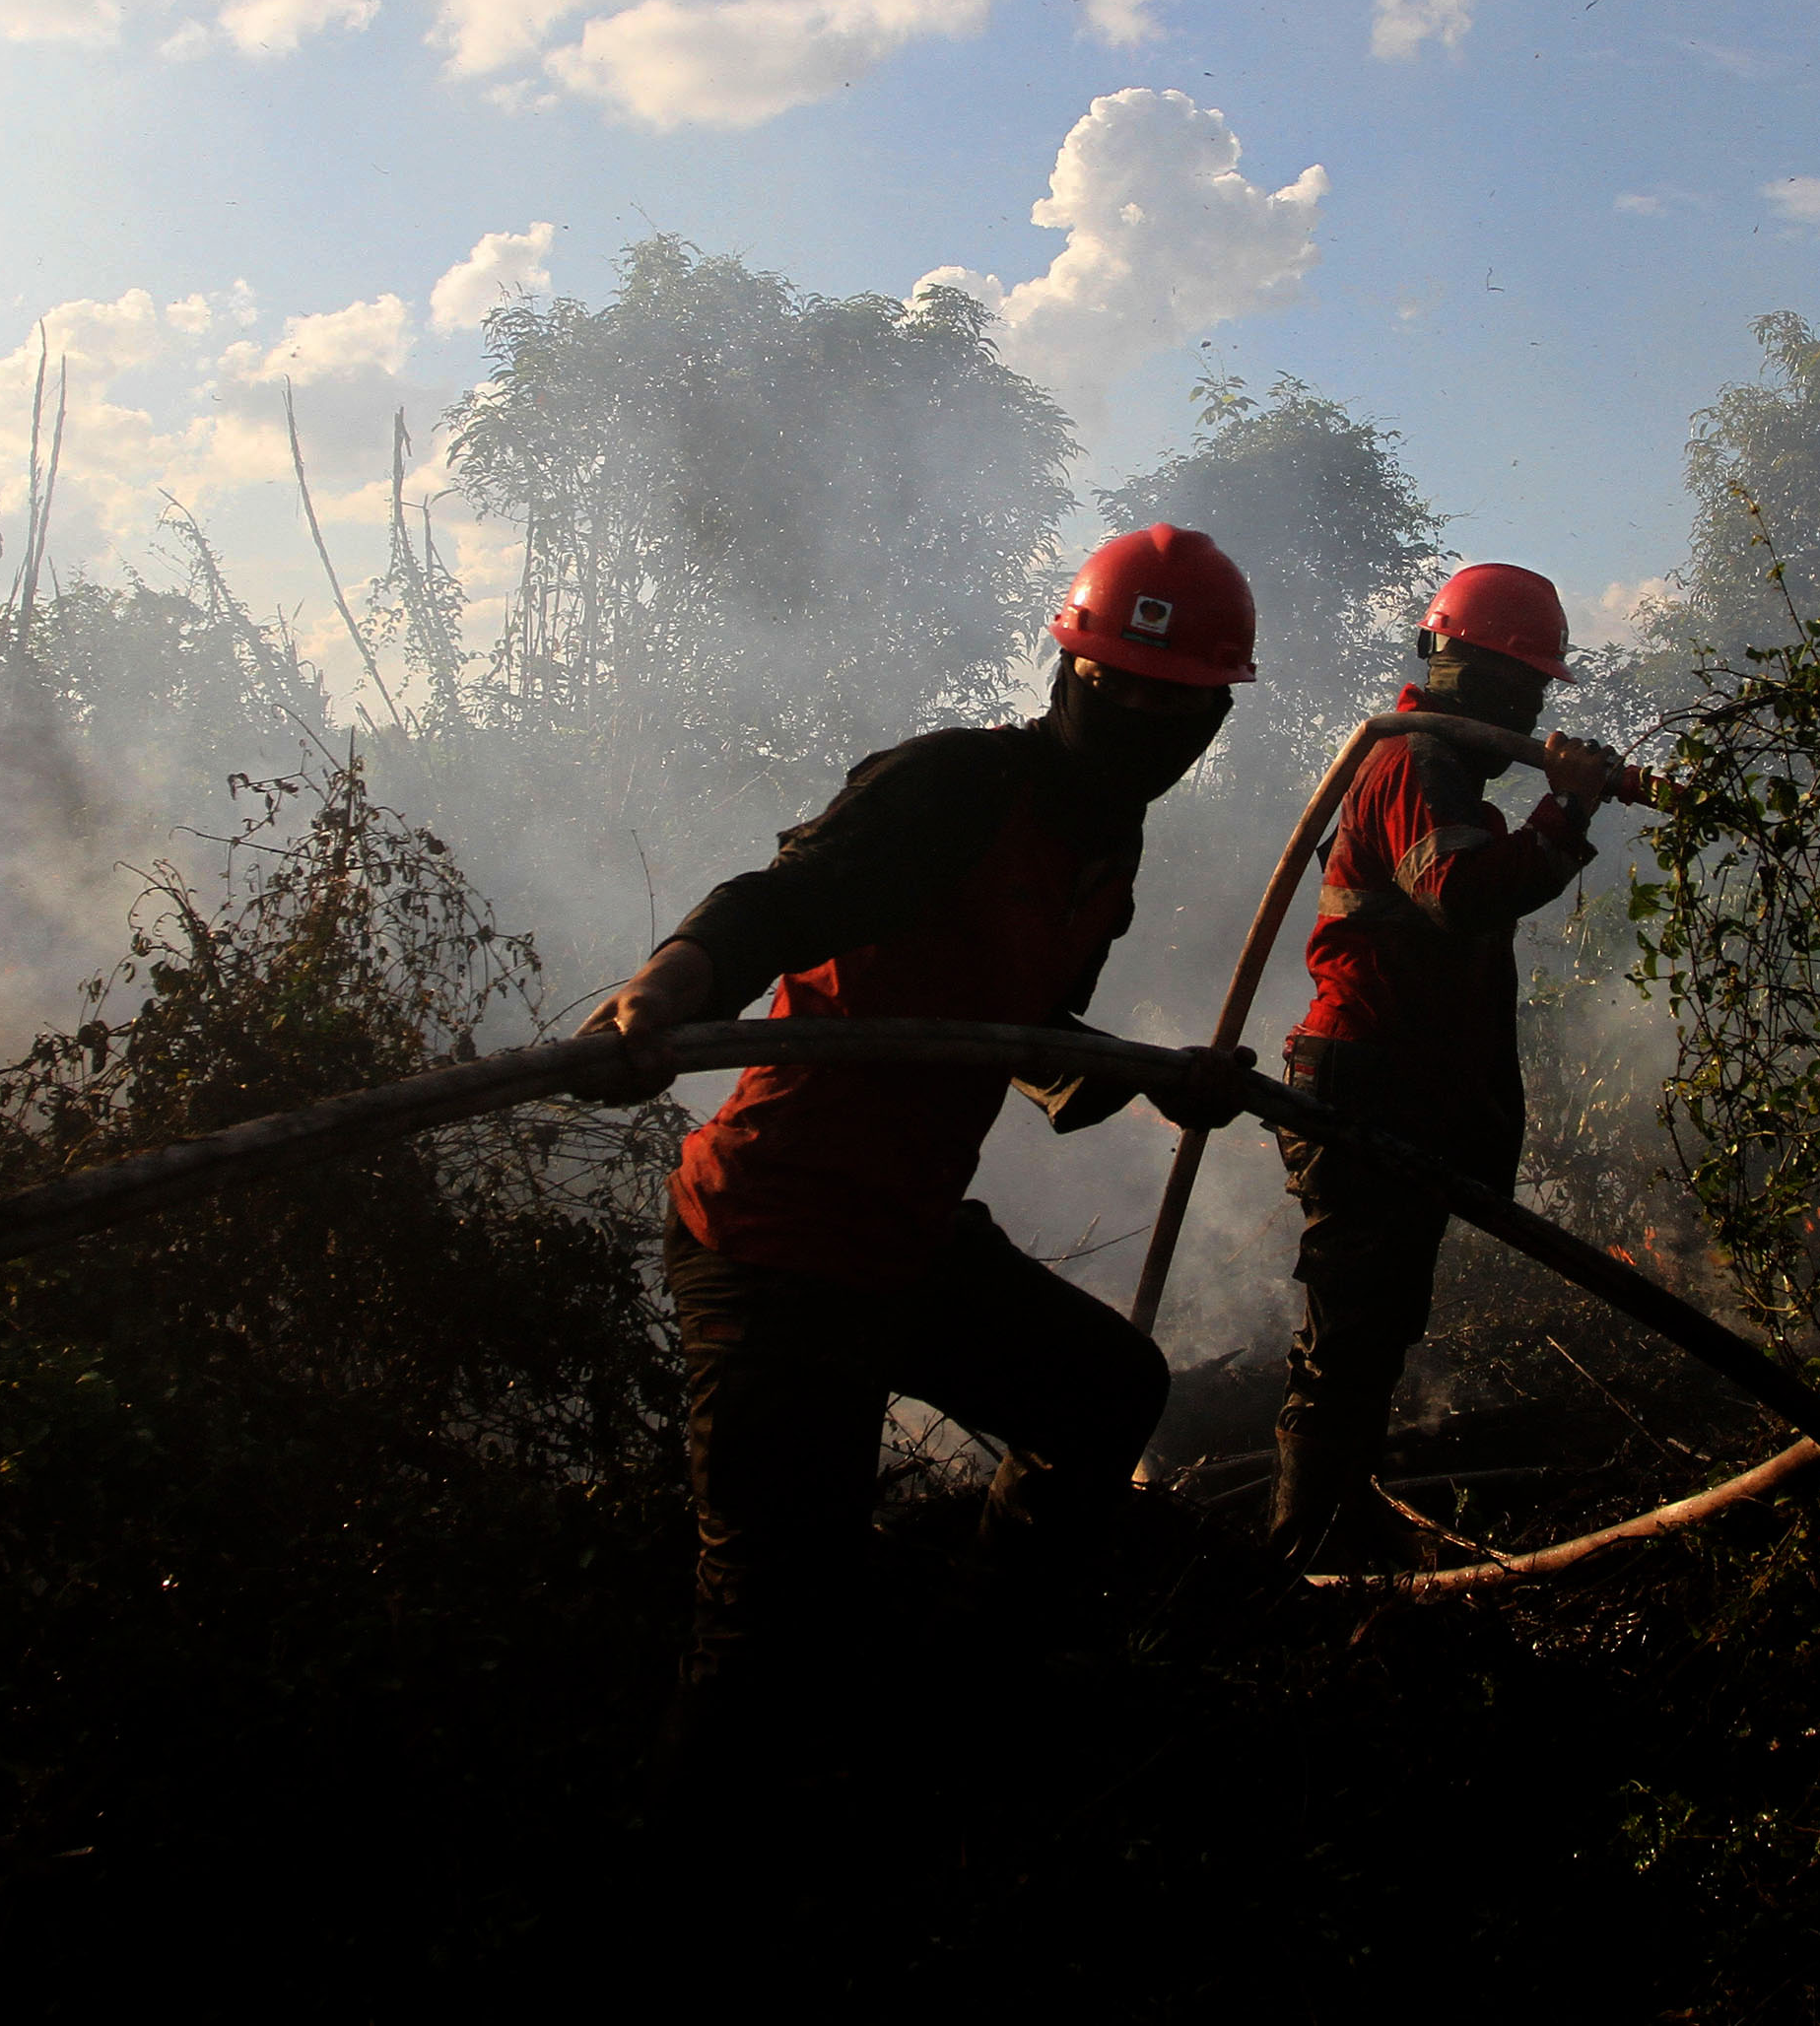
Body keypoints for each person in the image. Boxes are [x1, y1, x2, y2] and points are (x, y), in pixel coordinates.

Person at [578, 523, 1261, 1764]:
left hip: (898, 1242)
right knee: (768, 1637)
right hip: (777, 1244)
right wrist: (669, 987)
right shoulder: (954, 787)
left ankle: (971, 1701)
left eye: (1184, 706)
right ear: (1068, 675)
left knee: (1103, 1393)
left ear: (1212, 719)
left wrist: (1160, 1081)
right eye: (1124, 692)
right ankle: (684, 1913)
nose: (1151, 727)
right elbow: (782, 900)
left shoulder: (1109, 847)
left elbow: (1015, 1023)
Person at [1266, 563, 1624, 1568]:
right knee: (1351, 1330)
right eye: (1519, 681)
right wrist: (1566, 811)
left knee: (1377, 1324)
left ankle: (1338, 1515)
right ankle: (1304, 1554)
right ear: (1460, 667)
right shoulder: (1416, 759)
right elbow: (1462, 893)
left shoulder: (1442, 767)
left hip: (1395, 1076)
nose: (1530, 702)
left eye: (1538, 686)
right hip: (1364, 1073)